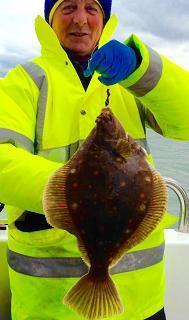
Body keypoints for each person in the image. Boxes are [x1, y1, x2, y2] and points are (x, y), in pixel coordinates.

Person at [0, 0, 189, 319]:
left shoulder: (131, 82)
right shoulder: (24, 82)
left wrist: (142, 69)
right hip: (49, 305)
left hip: (141, 302)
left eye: (92, 8)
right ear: (51, 18)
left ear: (105, 18)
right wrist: (73, 189)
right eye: (68, 7)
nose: (81, 19)